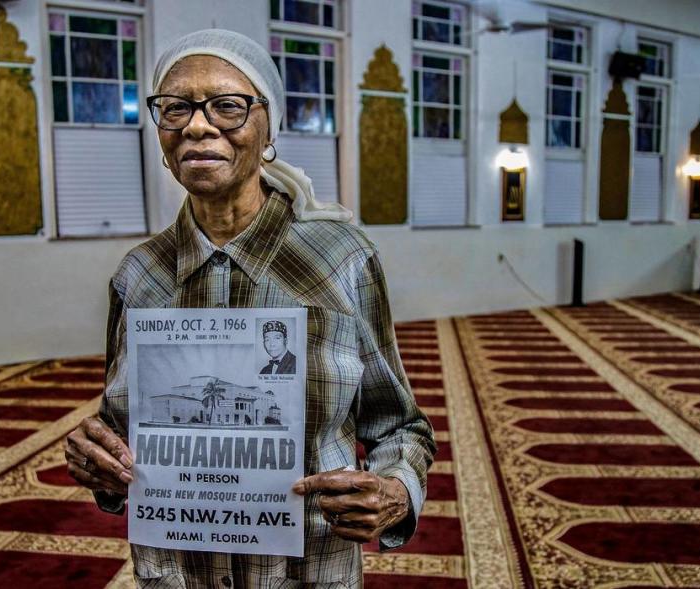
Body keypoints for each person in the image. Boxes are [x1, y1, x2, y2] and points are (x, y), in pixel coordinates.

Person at [63, 29, 436, 588]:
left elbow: (400, 426)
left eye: (227, 106)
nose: (196, 124)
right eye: (175, 108)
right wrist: (98, 460)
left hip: (306, 570)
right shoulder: (139, 276)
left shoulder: (340, 261)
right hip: (178, 573)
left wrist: (396, 490)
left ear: (268, 130)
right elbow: (124, 436)